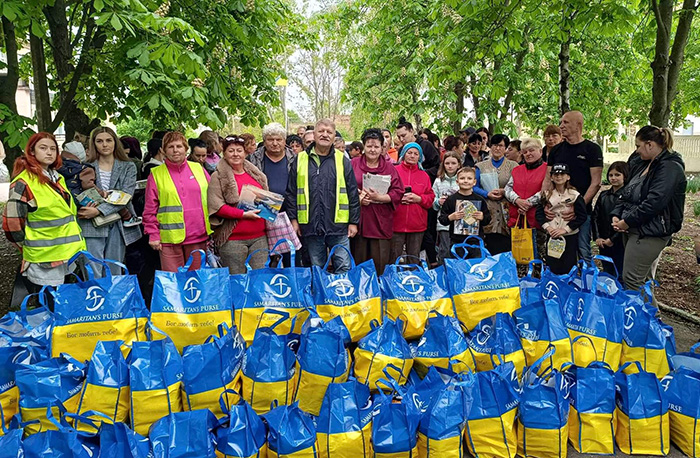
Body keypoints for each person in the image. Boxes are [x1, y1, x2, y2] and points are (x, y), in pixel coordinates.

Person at [3, 132, 86, 288]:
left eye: (53, 149)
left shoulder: (57, 178)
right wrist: (27, 247)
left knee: (63, 305)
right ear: (32, 151)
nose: (49, 152)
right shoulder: (24, 182)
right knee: (48, 306)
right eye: (43, 148)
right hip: (44, 260)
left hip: (67, 256)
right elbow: (12, 225)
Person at [611, 126, 687, 293]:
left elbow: (655, 202)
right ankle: (646, 317)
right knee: (642, 279)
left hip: (651, 231)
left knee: (632, 280)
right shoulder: (642, 163)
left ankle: (649, 318)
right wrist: (617, 214)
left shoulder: (670, 168)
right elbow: (627, 191)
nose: (636, 151)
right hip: (633, 227)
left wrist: (627, 221)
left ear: (650, 145)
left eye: (638, 146)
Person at [284, 119, 361, 273]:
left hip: (339, 227)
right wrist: (293, 219)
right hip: (310, 225)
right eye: (321, 131)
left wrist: (354, 222)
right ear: (315, 134)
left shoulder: (342, 160)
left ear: (334, 137)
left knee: (344, 268)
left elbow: (352, 192)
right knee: (316, 269)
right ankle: (320, 297)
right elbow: (291, 193)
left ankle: (341, 297)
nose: (325, 135)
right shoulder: (300, 159)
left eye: (329, 132)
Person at [143, 131, 212, 272]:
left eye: (179, 146)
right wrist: (153, 234)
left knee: (197, 282)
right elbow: (150, 208)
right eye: (170, 146)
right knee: (173, 285)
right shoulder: (156, 174)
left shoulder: (198, 169)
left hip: (198, 236)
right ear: (163, 150)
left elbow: (212, 198)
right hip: (169, 240)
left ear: (186, 149)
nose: (175, 150)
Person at [78, 126, 142, 275]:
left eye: (108, 140)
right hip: (90, 225)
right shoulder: (85, 166)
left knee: (114, 271)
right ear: (93, 144)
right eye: (99, 141)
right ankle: (95, 299)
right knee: (92, 272)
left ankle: (114, 299)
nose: (105, 144)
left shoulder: (128, 166)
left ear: (115, 142)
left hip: (116, 223)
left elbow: (126, 196)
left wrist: (99, 210)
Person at [544, 111, 603, 262]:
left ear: (578, 125)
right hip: (556, 211)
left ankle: (586, 281)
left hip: (581, 211)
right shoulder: (556, 150)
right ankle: (559, 281)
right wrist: (545, 203)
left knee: (583, 249)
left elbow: (595, 182)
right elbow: (547, 179)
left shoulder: (592, 149)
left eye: (565, 122)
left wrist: (578, 207)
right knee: (558, 250)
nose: (561, 126)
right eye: (561, 122)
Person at [208, 136, 269, 274]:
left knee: (259, 280)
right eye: (231, 151)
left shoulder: (256, 174)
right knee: (237, 282)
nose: (235, 154)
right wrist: (243, 214)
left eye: (239, 150)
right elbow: (217, 206)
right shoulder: (217, 176)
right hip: (233, 240)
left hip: (259, 238)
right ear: (224, 153)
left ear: (245, 153)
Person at [351, 128, 403, 274]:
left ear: (382, 148)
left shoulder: (389, 168)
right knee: (359, 261)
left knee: (380, 262)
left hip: (381, 220)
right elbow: (343, 187)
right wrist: (358, 198)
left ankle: (379, 294)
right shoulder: (353, 164)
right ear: (363, 147)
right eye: (369, 146)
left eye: (376, 146)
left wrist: (379, 198)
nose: (372, 150)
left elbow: (398, 191)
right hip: (359, 219)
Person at [536, 163, 587, 274]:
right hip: (552, 235)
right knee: (553, 263)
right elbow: (539, 214)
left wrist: (566, 229)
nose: (559, 177)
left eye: (562, 174)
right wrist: (548, 228)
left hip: (569, 235)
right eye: (556, 174)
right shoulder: (546, 194)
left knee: (569, 263)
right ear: (551, 177)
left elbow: (582, 215)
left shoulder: (574, 195)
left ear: (568, 177)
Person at [474, 134, 519, 254]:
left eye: (501, 145)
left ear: (505, 148)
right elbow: (474, 186)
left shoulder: (513, 166)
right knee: (491, 244)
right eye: (494, 145)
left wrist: (504, 191)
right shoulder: (481, 166)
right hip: (489, 209)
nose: (497, 148)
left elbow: (518, 186)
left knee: (507, 246)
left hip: (508, 210)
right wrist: (487, 193)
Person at [390, 142, 435, 262]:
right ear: (404, 154)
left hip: (417, 225)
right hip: (395, 223)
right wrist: (398, 198)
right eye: (409, 153)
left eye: (416, 154)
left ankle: (413, 280)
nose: (412, 156)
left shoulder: (424, 175)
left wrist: (418, 199)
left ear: (420, 157)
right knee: (393, 258)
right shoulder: (393, 171)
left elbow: (430, 198)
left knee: (414, 259)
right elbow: (386, 193)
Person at [504, 138, 549, 258]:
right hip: (517, 218)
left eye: (531, 150)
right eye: (525, 152)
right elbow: (508, 189)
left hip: (537, 219)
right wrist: (517, 200)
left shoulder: (547, 169)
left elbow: (547, 190)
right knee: (519, 255)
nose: (528, 154)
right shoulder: (517, 170)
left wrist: (528, 203)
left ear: (540, 151)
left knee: (538, 254)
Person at [438, 167, 491, 258]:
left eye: (469, 178)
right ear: (457, 181)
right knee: (459, 267)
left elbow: (488, 219)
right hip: (457, 241)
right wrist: (451, 217)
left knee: (475, 267)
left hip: (476, 241)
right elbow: (442, 219)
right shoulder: (451, 200)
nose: (466, 181)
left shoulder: (480, 200)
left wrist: (482, 217)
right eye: (462, 178)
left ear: (474, 182)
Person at [592, 161, 629, 280]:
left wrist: (612, 239)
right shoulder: (603, 195)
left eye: (617, 175)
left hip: (620, 242)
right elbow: (595, 216)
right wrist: (597, 237)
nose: (613, 178)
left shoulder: (628, 196)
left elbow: (627, 220)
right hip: (603, 241)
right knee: (607, 272)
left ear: (625, 176)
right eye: (611, 175)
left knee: (621, 271)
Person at [248, 122, 295, 198]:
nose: (275, 143)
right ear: (264, 142)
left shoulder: (295, 159)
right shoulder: (253, 159)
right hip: (262, 206)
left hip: (290, 206)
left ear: (285, 141)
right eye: (270, 140)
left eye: (279, 139)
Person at [433, 151, 461, 263]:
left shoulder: (462, 179)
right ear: (443, 164)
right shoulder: (438, 181)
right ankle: (443, 274)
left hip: (460, 223)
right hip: (444, 223)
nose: (450, 166)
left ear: (459, 164)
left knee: (457, 251)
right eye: (447, 163)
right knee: (444, 250)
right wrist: (438, 202)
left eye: (453, 163)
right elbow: (432, 198)